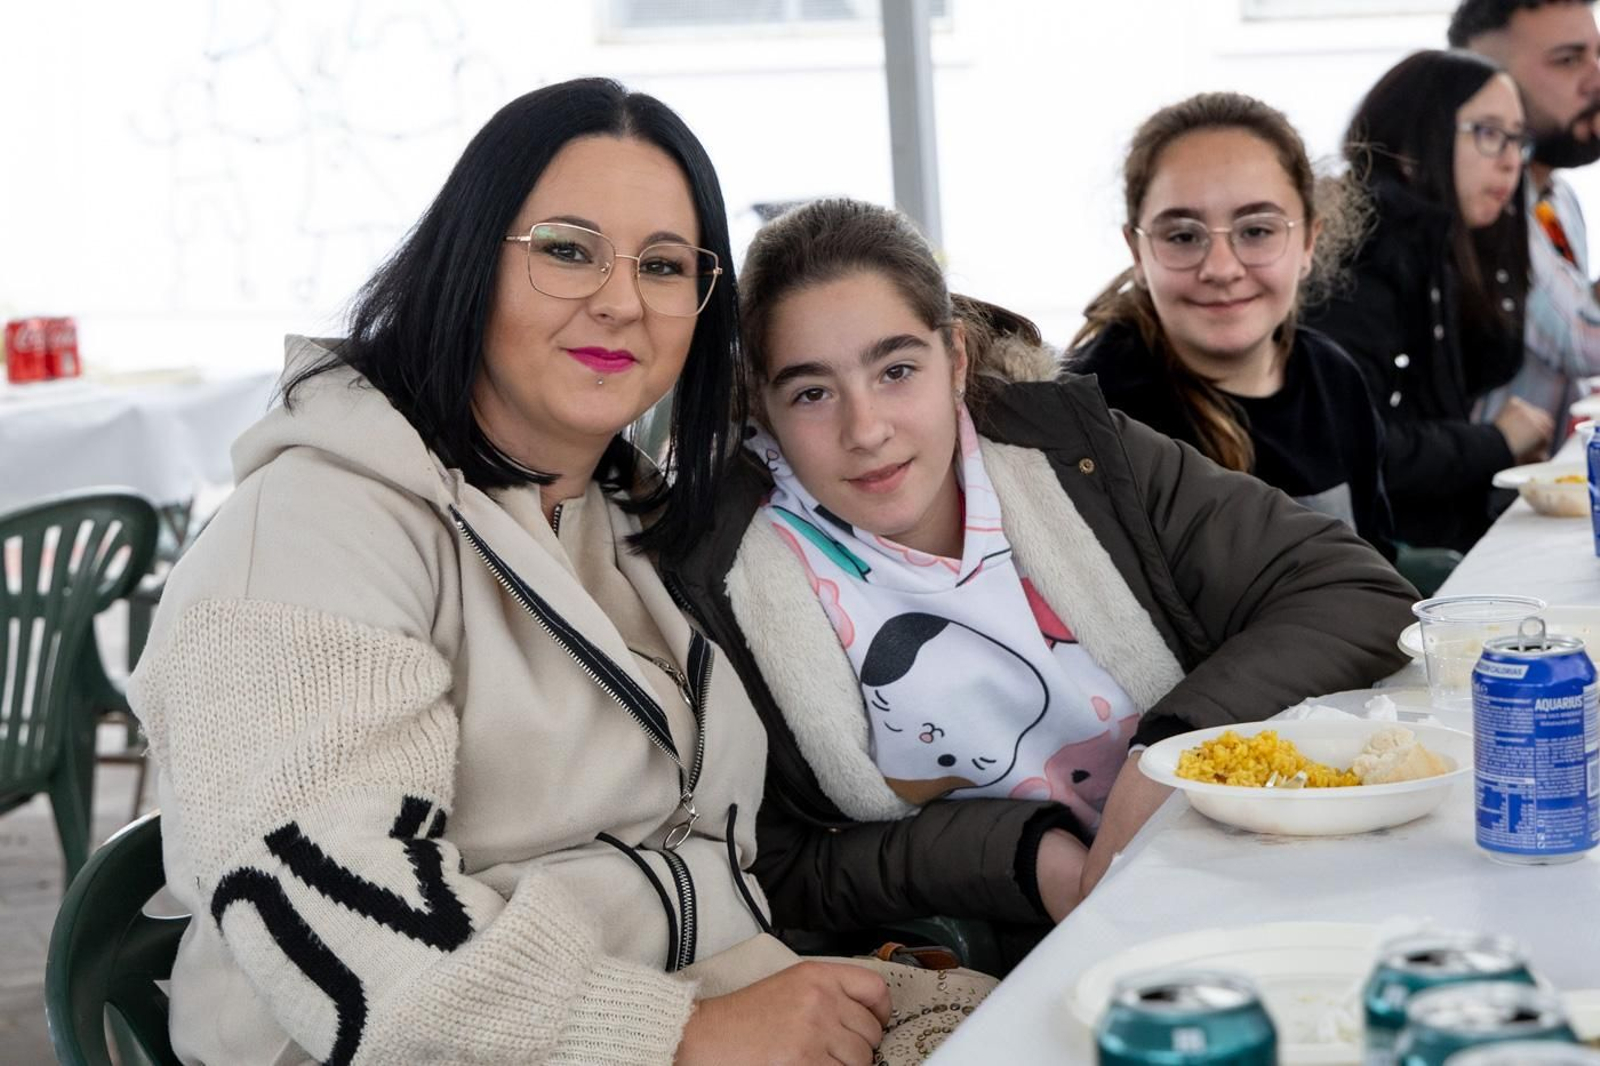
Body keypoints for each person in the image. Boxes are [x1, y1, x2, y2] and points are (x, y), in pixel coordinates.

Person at [129, 78, 912, 1066]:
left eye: (664, 265)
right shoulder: (309, 531)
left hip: (709, 988)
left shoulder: (621, 518)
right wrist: (684, 1038)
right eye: (567, 250)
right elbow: (343, 918)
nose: (622, 300)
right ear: (468, 264)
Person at [665, 197, 1416, 958]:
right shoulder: (723, 574)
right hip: (1011, 953)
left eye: (897, 370)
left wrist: (1175, 754)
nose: (866, 430)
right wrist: (1025, 859)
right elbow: (778, 864)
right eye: (812, 393)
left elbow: (1357, 591)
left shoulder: (1077, 454)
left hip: (1232, 865)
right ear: (763, 403)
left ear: (955, 359)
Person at [1068, 92, 1394, 556]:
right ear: (1138, 253)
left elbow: (1378, 568)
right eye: (1183, 236)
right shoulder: (1095, 416)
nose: (1221, 269)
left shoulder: (1335, 378)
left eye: (1256, 231)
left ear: (1308, 243)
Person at [1304, 49, 1544, 554]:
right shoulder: (1362, 259)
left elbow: (1494, 360)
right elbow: (1363, 448)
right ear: (1413, 143)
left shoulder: (1433, 243)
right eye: (1488, 132)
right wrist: (1496, 443)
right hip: (1391, 559)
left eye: (1518, 140)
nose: (1509, 160)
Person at [1451, 0, 1600, 439]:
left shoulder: (1556, 196)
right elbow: (1584, 344)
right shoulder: (1485, 208)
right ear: (1488, 80)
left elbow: (1581, 311)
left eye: (1597, 54)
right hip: (1488, 494)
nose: (1596, 77)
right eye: (1569, 60)